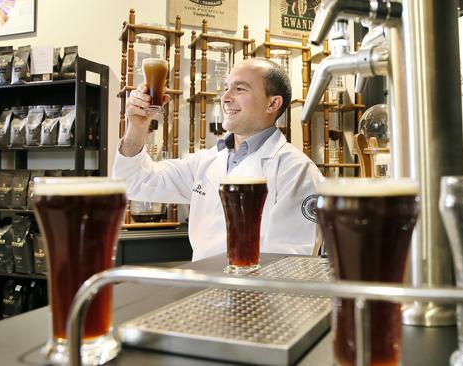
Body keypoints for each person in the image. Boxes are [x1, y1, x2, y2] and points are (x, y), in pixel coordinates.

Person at [113, 58, 322, 261]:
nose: (225, 98)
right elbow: (134, 183)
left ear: (273, 103)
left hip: (255, 295)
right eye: (226, 88)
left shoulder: (296, 170)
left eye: (240, 89)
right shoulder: (206, 161)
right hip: (202, 290)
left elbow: (291, 261)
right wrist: (137, 128)